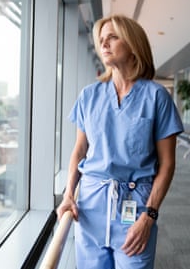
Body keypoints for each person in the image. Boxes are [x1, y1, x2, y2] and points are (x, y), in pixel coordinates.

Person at [56, 14, 183, 269]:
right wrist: (69, 194)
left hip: (135, 208)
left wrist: (149, 216)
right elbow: (79, 150)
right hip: (90, 207)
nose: (104, 44)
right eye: (101, 39)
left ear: (133, 45)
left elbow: (167, 164)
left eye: (113, 37)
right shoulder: (89, 96)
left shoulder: (156, 97)